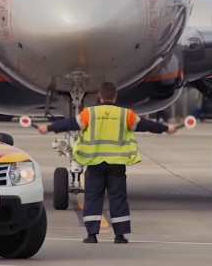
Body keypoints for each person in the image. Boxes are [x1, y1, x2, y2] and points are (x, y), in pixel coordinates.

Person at [37, 81, 177, 244]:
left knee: (93, 197)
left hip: (95, 162)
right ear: (115, 96)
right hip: (116, 163)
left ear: (100, 96)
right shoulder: (125, 115)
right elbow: (146, 125)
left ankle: (92, 235)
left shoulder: (89, 114)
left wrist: (48, 128)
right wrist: (166, 129)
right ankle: (120, 235)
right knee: (118, 198)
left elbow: (69, 124)